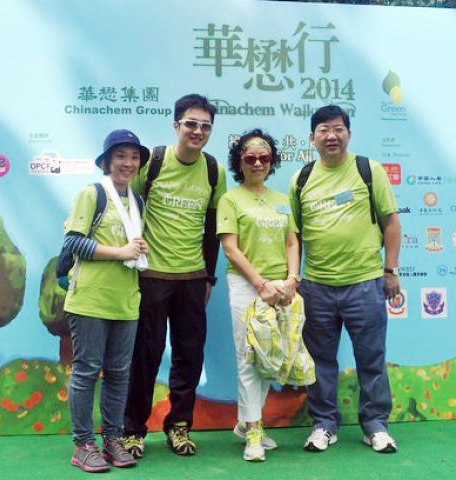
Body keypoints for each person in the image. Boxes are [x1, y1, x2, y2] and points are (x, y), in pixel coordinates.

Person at [289, 105, 401, 454]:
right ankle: (324, 424)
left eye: (338, 129)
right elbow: (294, 235)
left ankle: (375, 425)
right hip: (316, 287)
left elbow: (392, 224)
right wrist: (293, 280)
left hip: (365, 284)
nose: (332, 135)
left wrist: (390, 270)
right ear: (313, 138)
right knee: (320, 361)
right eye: (324, 129)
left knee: (371, 358)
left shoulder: (369, 171)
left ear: (348, 134)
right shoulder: (302, 178)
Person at [123, 94, 226, 457]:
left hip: (193, 279)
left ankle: (179, 427)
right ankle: (133, 430)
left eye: (205, 126)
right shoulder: (153, 161)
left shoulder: (214, 170)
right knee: (145, 356)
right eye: (191, 124)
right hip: (152, 277)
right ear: (176, 125)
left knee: (189, 356)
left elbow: (213, 225)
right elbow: (126, 206)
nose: (197, 131)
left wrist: (209, 277)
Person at [63, 129, 150, 473]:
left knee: (118, 374)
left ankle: (112, 439)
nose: (128, 163)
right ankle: (83, 444)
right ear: (106, 161)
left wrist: (137, 252)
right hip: (89, 300)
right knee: (86, 371)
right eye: (121, 156)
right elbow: (73, 242)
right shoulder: (92, 194)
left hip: (126, 301)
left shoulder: (137, 201)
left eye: (134, 157)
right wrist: (121, 252)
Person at [217, 129, 300, 462]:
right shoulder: (230, 199)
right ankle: (253, 429)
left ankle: (246, 422)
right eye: (250, 157)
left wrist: (292, 278)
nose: (257, 162)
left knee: (271, 358)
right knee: (249, 358)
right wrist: (260, 283)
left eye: (264, 157)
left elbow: (292, 242)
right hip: (246, 285)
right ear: (240, 161)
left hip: (281, 286)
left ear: (272, 161)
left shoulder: (282, 201)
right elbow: (230, 248)